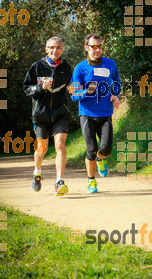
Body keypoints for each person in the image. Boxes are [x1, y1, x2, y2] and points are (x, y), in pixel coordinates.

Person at [68, 33, 120, 193]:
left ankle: (100, 159)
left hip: (105, 114)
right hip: (87, 114)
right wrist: (86, 91)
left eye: (99, 46)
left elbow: (116, 82)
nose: (97, 50)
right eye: (93, 46)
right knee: (91, 149)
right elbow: (73, 94)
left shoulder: (110, 64)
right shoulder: (80, 68)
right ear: (86, 47)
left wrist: (115, 94)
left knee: (106, 149)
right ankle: (91, 181)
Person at [23, 37, 72, 196]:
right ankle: (37, 173)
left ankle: (59, 181)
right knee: (41, 149)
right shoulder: (37, 67)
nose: (54, 50)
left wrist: (72, 90)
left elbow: (71, 88)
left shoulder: (66, 68)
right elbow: (26, 89)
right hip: (41, 115)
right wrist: (39, 87)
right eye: (51, 47)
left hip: (60, 113)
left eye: (58, 47)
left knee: (60, 144)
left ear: (62, 50)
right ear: (46, 49)